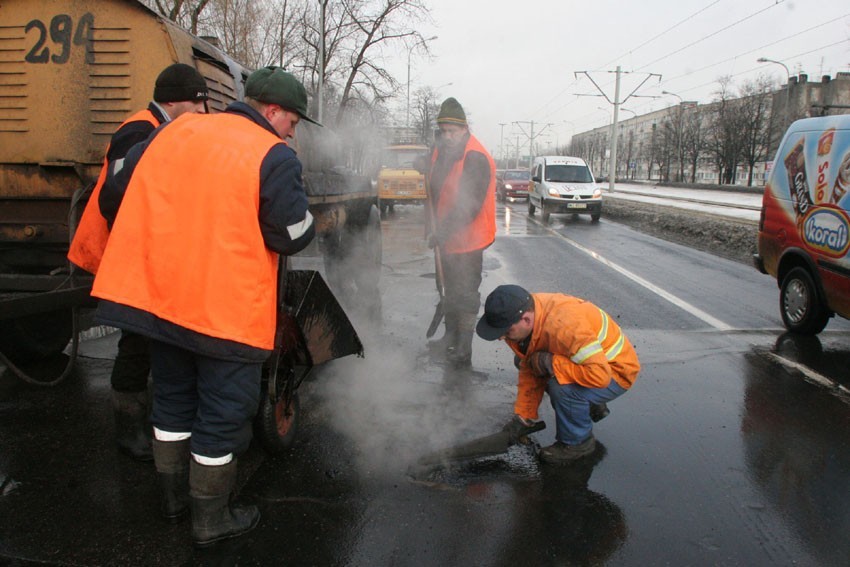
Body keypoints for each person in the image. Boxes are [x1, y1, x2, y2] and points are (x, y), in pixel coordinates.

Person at [91, 66, 317, 547]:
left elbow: (113, 193)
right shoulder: (272, 156)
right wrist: (308, 217)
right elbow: (291, 236)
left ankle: (173, 502)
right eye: (293, 122)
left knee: (172, 401)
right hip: (224, 314)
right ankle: (211, 521)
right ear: (272, 111)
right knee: (222, 413)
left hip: (159, 302)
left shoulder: (175, 130)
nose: (292, 133)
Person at [67, 63, 210, 462]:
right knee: (138, 339)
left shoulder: (161, 127)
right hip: (120, 251)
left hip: (141, 252)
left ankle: (146, 420)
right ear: (173, 101)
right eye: (197, 105)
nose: (201, 115)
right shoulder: (140, 130)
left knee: (148, 337)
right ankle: (129, 429)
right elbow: (115, 197)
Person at [476, 285, 640, 463]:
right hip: (587, 364)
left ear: (526, 319)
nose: (502, 338)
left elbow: (600, 376)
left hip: (615, 370)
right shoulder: (525, 315)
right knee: (528, 361)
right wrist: (524, 417)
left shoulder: (565, 326)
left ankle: (578, 442)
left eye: (506, 332)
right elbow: (530, 370)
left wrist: (550, 362)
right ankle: (590, 402)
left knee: (561, 389)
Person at [426, 97, 496, 368]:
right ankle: (449, 336)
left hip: (469, 237)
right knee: (450, 288)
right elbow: (438, 189)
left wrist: (442, 232)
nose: (447, 136)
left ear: (465, 128)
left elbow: (469, 206)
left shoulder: (475, 156)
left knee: (465, 292)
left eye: (452, 131)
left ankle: (464, 346)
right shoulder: (442, 150)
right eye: (443, 131)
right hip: (447, 235)